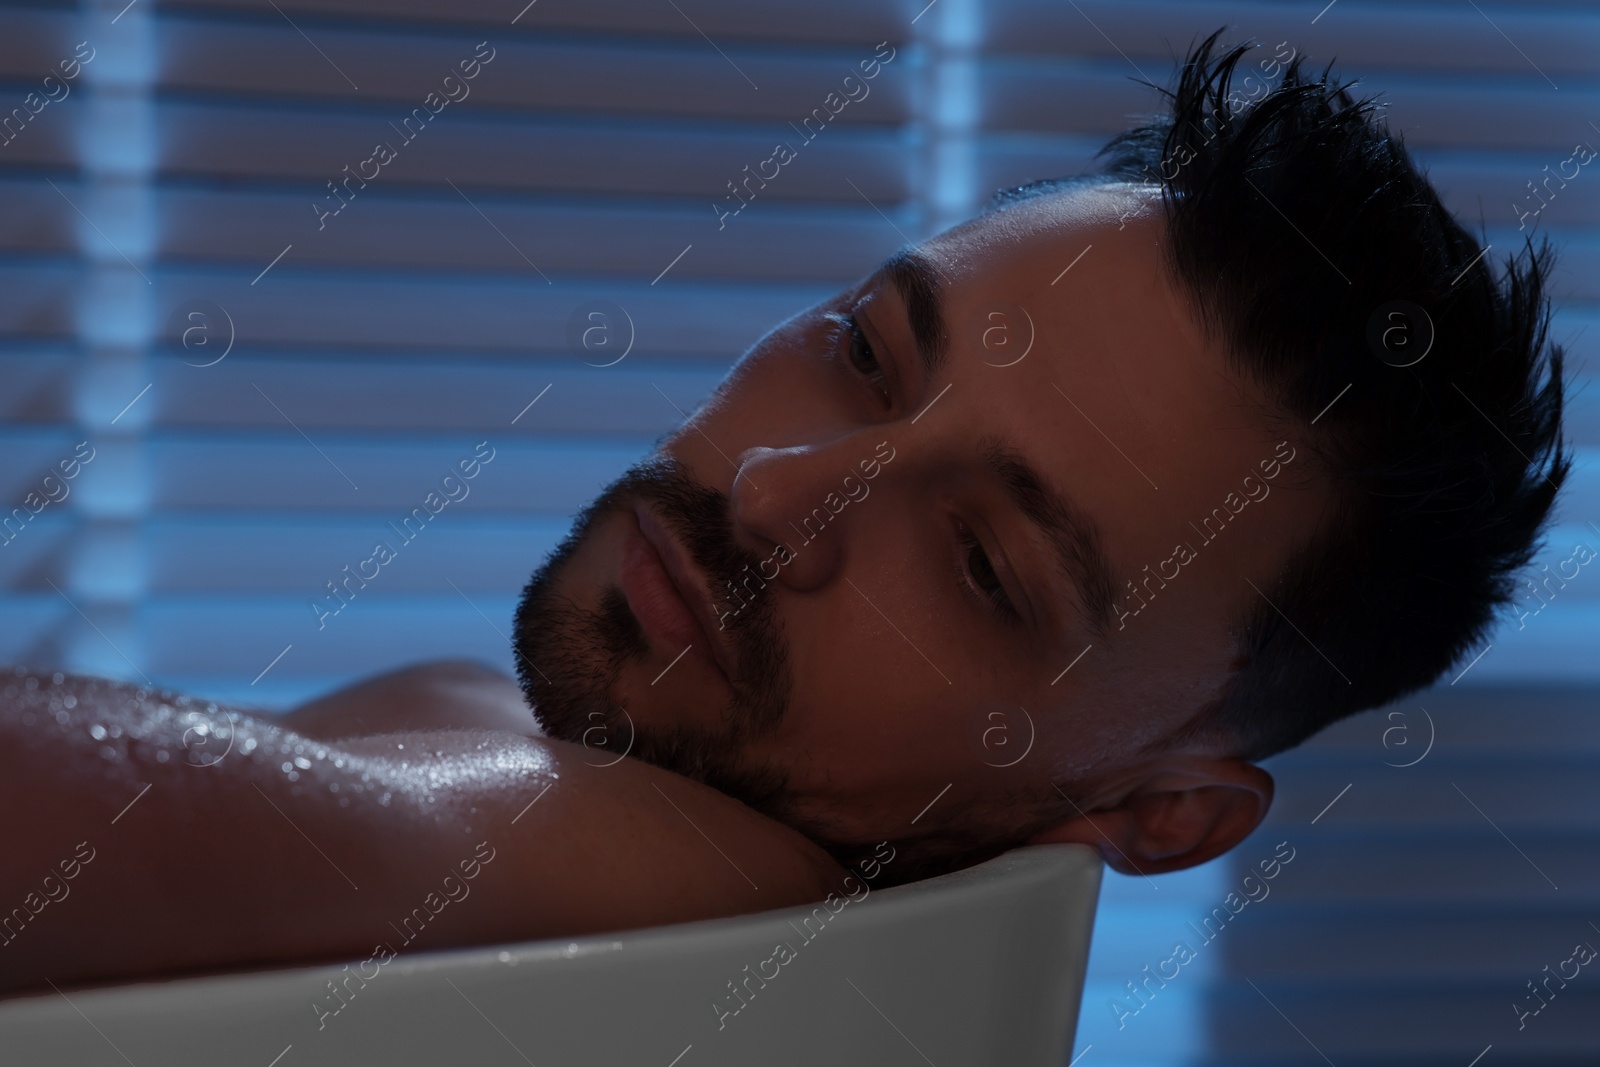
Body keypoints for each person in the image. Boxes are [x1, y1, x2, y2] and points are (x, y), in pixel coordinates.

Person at [0, 30, 1569, 996]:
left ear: (1160, 813)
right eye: (866, 355)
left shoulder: (701, 872)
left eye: (978, 564)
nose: (779, 492)